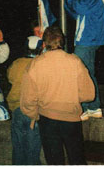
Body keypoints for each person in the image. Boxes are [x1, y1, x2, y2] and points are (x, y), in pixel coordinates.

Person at [20, 26, 95, 165]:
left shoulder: (35, 64)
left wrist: (35, 115)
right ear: (62, 42)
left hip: (47, 120)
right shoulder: (75, 62)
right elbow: (89, 94)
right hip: (71, 120)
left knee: (54, 162)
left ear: (44, 43)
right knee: (77, 160)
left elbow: (27, 100)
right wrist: (70, 96)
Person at [58, 0, 104, 121]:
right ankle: (92, 108)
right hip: (88, 40)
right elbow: (75, 12)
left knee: (77, 73)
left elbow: (79, 7)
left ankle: (87, 108)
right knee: (86, 73)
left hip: (88, 40)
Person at [7, 36, 43, 165]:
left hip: (17, 109)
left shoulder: (16, 63)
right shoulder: (41, 63)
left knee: (18, 149)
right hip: (33, 112)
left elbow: (10, 78)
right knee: (32, 150)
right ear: (40, 48)